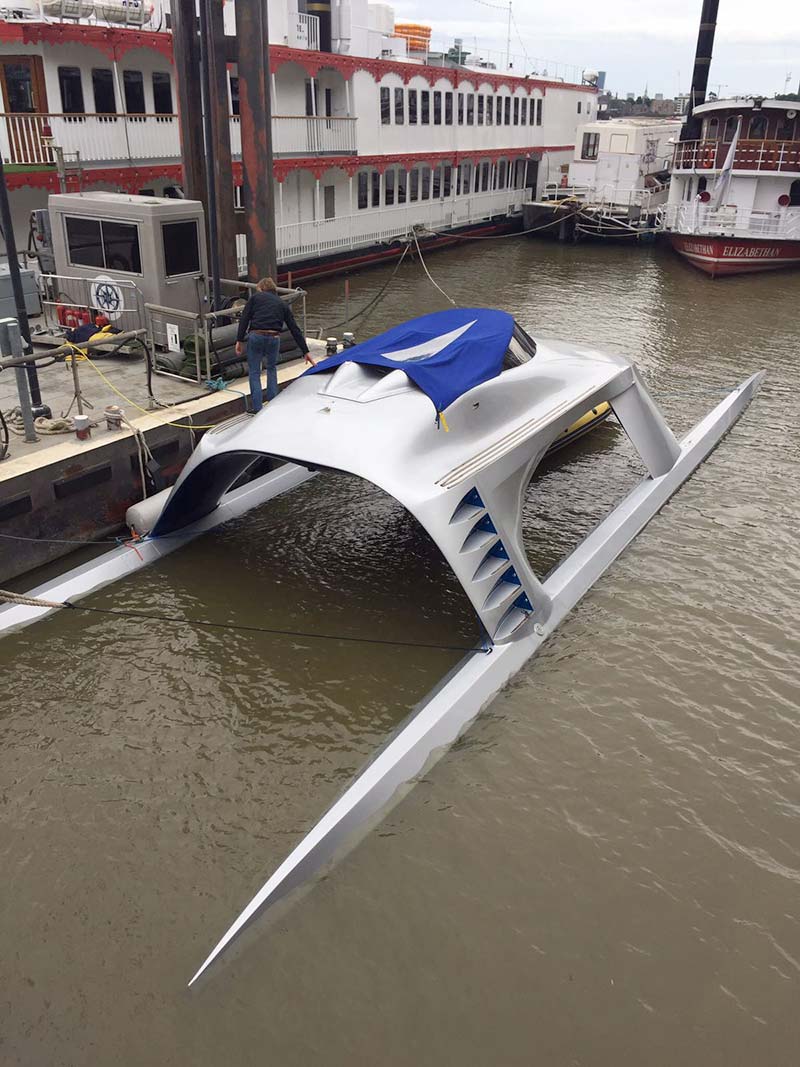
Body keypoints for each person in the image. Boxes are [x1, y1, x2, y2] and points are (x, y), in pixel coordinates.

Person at [234, 277, 310, 413]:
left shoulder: (255, 298)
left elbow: (244, 319)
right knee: (271, 368)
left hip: (256, 335)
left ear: (262, 289)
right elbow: (294, 328)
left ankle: (257, 408)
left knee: (255, 371)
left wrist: (239, 340)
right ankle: (272, 405)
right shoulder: (282, 303)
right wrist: (305, 351)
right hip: (274, 337)